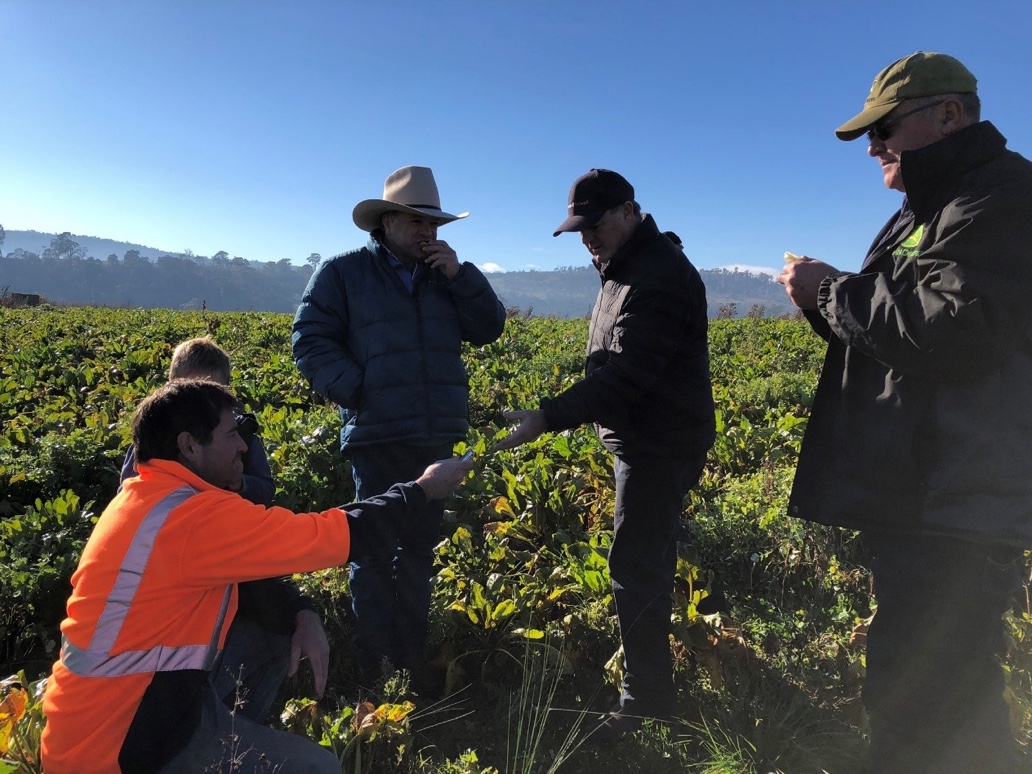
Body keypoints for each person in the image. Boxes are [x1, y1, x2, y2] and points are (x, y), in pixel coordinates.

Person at [777, 51, 1032, 774]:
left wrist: (831, 292)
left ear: (949, 115)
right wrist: (825, 302)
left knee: (921, 701)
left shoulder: (1002, 196)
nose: (874, 147)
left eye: (884, 127)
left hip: (958, 502)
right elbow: (900, 339)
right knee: (950, 701)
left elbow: (955, 330)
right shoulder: (929, 209)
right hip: (922, 498)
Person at [40, 379, 473, 774]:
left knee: (273, 634)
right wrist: (421, 490)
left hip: (110, 719)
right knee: (319, 770)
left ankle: (228, 747)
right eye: (232, 436)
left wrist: (302, 612)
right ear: (189, 446)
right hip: (119, 749)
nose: (244, 449)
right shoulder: (194, 518)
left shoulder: (146, 498)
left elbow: (247, 581)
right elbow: (326, 536)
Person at [494, 169, 716, 739]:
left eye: (595, 225)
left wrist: (547, 416)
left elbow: (626, 376)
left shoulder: (657, 276)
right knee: (649, 550)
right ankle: (657, 668)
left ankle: (646, 703)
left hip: (657, 445)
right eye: (579, 229)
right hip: (646, 438)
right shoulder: (625, 264)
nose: (587, 238)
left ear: (628, 211)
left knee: (635, 566)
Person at [292, 165, 506, 690]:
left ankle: (408, 661)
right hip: (379, 436)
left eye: (432, 222)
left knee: (417, 553)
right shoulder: (343, 274)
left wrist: (463, 278)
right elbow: (309, 339)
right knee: (371, 552)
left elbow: (491, 328)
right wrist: (360, 391)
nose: (427, 231)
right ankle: (371, 665)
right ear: (384, 223)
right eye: (415, 221)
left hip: (437, 436)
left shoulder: (447, 277)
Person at [118, 337, 329, 717]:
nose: (202, 402)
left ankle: (235, 725)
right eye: (190, 390)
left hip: (235, 565)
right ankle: (198, 721)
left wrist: (239, 486)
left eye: (215, 390)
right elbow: (132, 498)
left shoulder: (241, 436)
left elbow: (265, 491)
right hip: (176, 587)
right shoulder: (149, 445)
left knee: (270, 623)